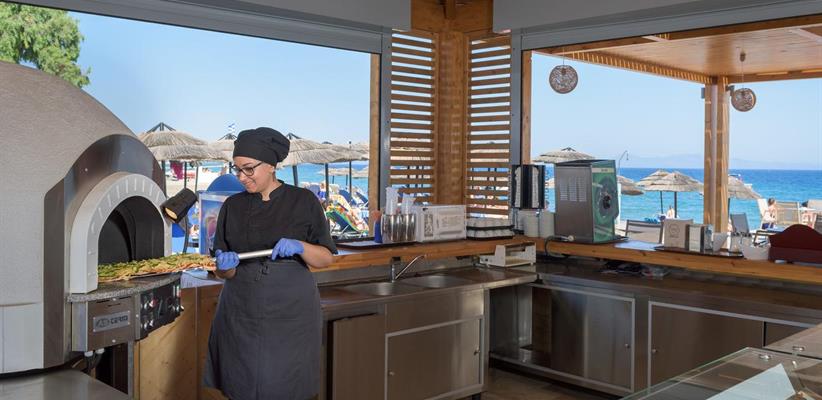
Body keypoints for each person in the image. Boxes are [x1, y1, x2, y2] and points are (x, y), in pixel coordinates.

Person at [203, 127, 336, 400]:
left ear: (272, 166)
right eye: (238, 169)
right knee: (240, 385)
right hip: (240, 311)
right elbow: (224, 272)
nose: (242, 177)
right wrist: (224, 266)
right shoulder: (232, 206)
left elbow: (325, 257)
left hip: (291, 313)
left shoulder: (304, 201)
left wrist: (301, 246)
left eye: (249, 169)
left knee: (286, 387)